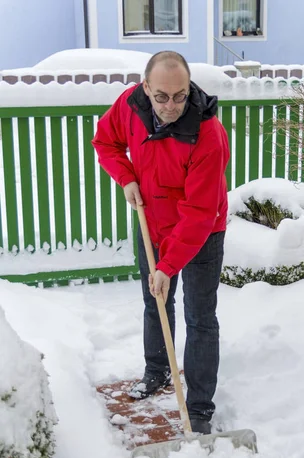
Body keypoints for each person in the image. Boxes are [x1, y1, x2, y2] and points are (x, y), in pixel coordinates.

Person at [92, 51, 229, 434]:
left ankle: (199, 406)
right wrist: (126, 178)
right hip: (151, 223)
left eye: (180, 96)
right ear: (146, 87)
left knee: (200, 317)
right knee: (156, 301)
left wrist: (168, 266)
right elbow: (106, 142)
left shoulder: (208, 136)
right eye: (162, 96)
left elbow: (199, 213)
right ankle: (158, 371)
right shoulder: (130, 105)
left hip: (202, 231)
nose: (171, 106)